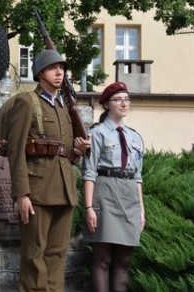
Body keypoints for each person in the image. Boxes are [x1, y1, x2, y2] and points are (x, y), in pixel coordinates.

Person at [6, 49, 91, 292]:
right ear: (40, 73)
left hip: (63, 190)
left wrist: (78, 149)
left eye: (62, 68)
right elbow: (16, 150)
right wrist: (21, 194)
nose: (59, 72)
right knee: (34, 256)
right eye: (54, 68)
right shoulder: (27, 102)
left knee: (56, 255)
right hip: (37, 191)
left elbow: (63, 155)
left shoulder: (64, 108)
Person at [82, 82, 145, 292]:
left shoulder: (135, 137)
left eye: (127, 99)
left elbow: (138, 176)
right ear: (107, 105)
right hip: (105, 194)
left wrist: (141, 210)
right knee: (103, 259)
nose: (124, 103)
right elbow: (89, 172)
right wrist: (89, 207)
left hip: (129, 197)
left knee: (123, 261)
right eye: (118, 99)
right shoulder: (97, 133)